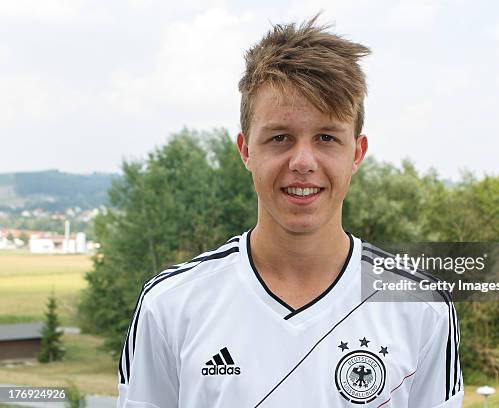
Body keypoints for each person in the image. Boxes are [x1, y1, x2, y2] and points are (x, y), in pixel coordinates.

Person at [117, 16, 463, 407]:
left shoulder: (421, 306)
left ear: (357, 153)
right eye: (280, 137)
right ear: (246, 150)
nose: (302, 161)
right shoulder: (171, 304)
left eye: (326, 138)